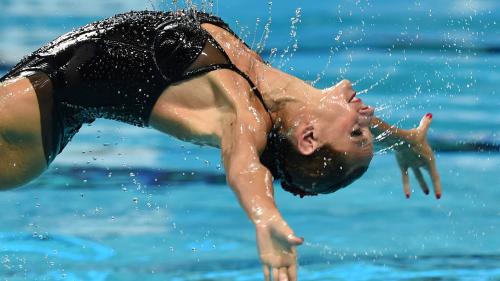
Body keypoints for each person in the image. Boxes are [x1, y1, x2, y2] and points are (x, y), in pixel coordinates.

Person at [0, 9, 441, 281]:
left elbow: (243, 166)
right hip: (41, 99)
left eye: (357, 132)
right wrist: (398, 140)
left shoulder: (244, 113)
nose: (366, 118)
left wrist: (265, 216)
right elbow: (347, 127)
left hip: (30, 115)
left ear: (307, 138)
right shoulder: (277, 92)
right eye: (366, 129)